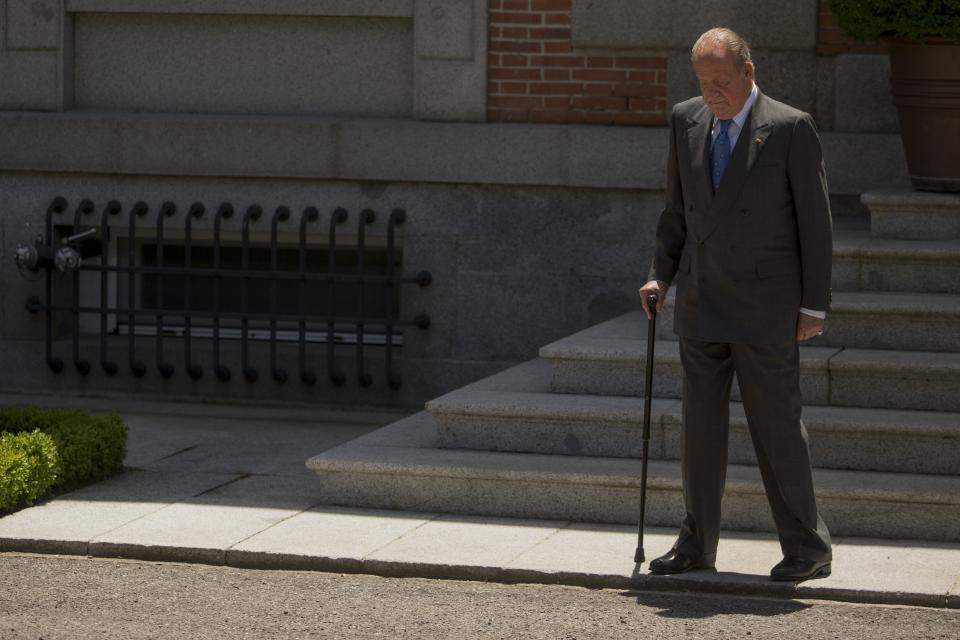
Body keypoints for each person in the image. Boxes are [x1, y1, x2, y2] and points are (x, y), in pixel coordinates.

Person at [638, 27, 833, 582]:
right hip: (702, 301)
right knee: (700, 430)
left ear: (748, 72)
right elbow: (675, 212)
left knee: (776, 428)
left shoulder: (791, 128)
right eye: (703, 82)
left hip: (767, 305)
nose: (712, 93)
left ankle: (807, 545)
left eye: (721, 82)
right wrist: (660, 277)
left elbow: (815, 226)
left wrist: (813, 306)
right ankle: (697, 543)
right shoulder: (686, 119)